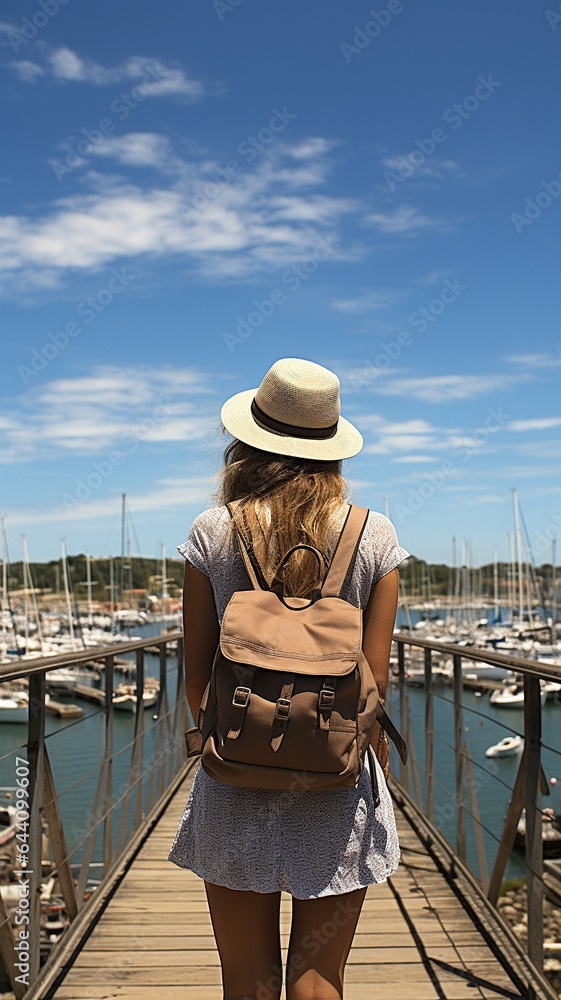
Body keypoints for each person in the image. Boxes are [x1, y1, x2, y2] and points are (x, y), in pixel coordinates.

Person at [168, 357, 410, 1000]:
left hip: (233, 780)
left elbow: (197, 681)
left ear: (246, 441)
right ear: (332, 449)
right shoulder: (373, 534)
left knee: (246, 982)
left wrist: (249, 729)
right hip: (336, 782)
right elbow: (373, 681)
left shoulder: (212, 531)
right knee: (317, 979)